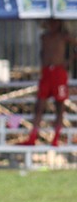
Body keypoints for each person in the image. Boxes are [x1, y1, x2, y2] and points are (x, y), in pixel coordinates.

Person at [21, 18, 74, 146]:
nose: (52, 25)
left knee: (59, 107)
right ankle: (33, 136)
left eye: (55, 22)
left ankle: (55, 138)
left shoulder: (64, 37)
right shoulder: (44, 37)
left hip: (59, 73)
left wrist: (69, 61)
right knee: (39, 106)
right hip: (46, 73)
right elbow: (42, 53)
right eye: (50, 22)